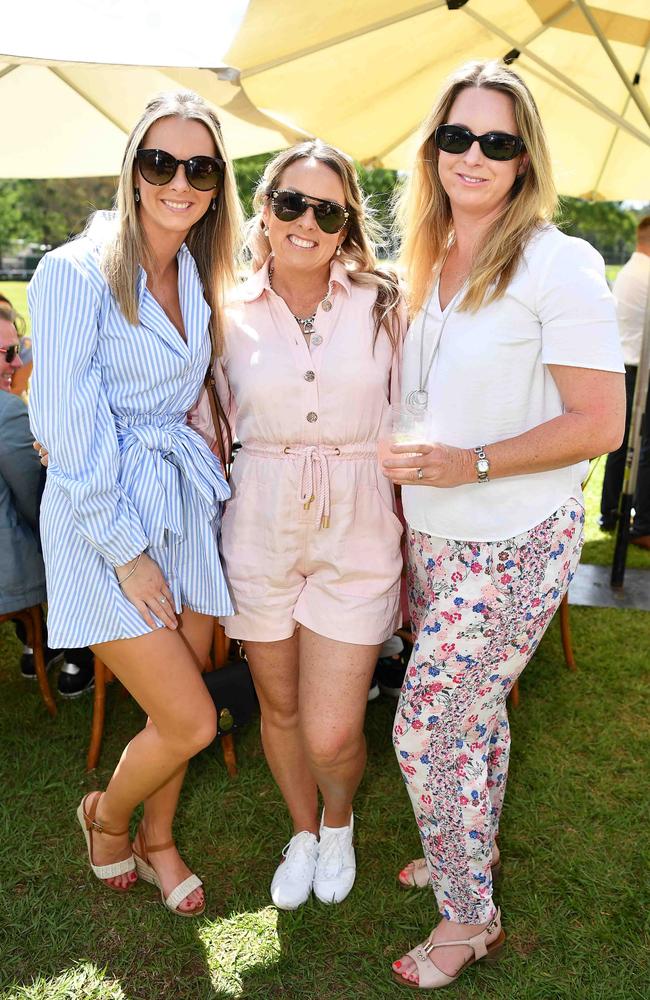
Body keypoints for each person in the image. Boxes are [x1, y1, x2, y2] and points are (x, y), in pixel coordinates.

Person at [381, 61, 625, 989]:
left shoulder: (557, 260)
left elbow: (599, 423)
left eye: (497, 141)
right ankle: (460, 852)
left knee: (427, 727)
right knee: (472, 716)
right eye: (457, 137)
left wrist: (472, 462)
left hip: (513, 534)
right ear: (433, 147)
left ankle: (466, 917)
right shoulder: (424, 254)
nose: (473, 156)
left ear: (525, 160)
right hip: (435, 531)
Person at [28, 90, 241, 915]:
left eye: (199, 166)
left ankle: (159, 839)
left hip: (180, 504)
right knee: (189, 718)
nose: (178, 181)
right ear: (134, 170)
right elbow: (68, 435)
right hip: (104, 524)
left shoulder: (194, 268)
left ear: (218, 183)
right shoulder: (75, 271)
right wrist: (128, 552)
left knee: (178, 690)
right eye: (161, 162)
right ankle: (105, 818)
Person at [195, 141, 405, 909]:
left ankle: (340, 821)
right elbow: (201, 417)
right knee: (277, 707)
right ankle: (304, 831)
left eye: (327, 210)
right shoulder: (224, 310)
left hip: (357, 520)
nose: (306, 221)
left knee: (331, 732)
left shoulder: (386, 301)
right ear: (264, 208)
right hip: (259, 519)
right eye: (291, 203)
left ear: (346, 223)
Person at [0, 305, 94, 695]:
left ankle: (39, 642)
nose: (19, 361)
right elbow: (35, 501)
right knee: (68, 532)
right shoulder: (6, 412)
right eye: (8, 354)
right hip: (9, 572)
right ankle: (79, 652)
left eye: (17, 349)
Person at [599, 215, 650, 547]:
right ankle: (643, 524)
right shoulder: (644, 273)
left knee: (621, 445)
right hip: (638, 368)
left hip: (627, 364)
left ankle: (611, 511)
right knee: (644, 446)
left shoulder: (633, 269)